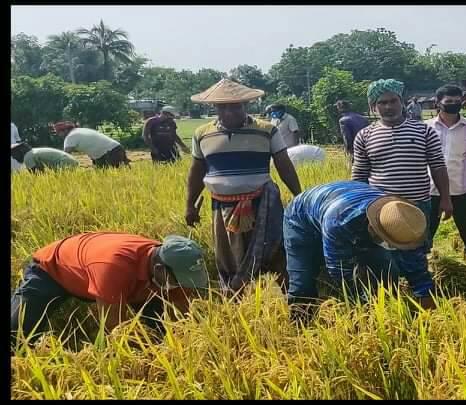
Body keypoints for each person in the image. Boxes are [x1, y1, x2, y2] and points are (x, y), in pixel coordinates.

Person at [185, 78, 303, 294]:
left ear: (245, 105)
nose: (229, 111)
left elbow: (283, 164)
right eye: (223, 106)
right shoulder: (202, 133)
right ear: (215, 107)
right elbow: (197, 170)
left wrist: (300, 196)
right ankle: (237, 308)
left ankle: (294, 301)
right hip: (223, 208)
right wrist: (190, 205)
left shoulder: (266, 130)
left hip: (263, 203)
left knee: (275, 253)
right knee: (229, 257)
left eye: (235, 106)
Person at [352, 79, 453, 309]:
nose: (388, 107)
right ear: (373, 106)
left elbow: (438, 166)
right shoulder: (365, 136)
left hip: (415, 206)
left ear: (403, 102)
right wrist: (357, 206)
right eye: (382, 102)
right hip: (379, 208)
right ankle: (389, 307)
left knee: (415, 257)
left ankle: (427, 306)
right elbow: (359, 175)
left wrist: (446, 199)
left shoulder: (423, 131)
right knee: (381, 258)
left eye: (393, 101)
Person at [10, 232, 207, 347]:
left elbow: (183, 317)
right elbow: (116, 327)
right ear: (158, 268)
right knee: (16, 333)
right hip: (53, 269)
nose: (182, 287)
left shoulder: (171, 267)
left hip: (124, 278)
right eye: (178, 281)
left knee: (161, 331)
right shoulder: (114, 268)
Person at [283, 181, 433, 316]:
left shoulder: (403, 221)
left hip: (344, 203)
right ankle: (300, 326)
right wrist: (363, 306)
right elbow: (340, 270)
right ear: (373, 228)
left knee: (386, 269)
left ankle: (387, 303)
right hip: (301, 219)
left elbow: (415, 262)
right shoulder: (339, 222)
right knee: (303, 282)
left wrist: (425, 295)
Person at [425, 84, 466, 270]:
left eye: (457, 101)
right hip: (431, 190)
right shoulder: (426, 128)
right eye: (449, 102)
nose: (454, 105)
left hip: (461, 189)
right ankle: (423, 268)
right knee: (425, 233)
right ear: (438, 103)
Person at [53, 122, 130, 168]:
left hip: (110, 153)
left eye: (59, 133)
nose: (59, 135)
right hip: (116, 148)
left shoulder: (70, 137)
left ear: (65, 130)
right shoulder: (80, 130)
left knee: (111, 178)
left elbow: (65, 156)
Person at [10, 142, 78, 172]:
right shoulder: (33, 152)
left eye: (13, 155)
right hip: (71, 160)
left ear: (19, 151)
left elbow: (37, 176)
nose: (13, 157)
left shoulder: (27, 157)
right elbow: (41, 172)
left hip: (64, 164)